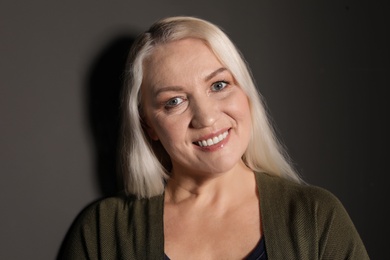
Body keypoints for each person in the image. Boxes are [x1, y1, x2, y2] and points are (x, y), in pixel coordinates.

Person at [58, 16, 369, 259]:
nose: (206, 117)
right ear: (149, 126)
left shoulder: (315, 217)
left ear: (245, 92)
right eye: (174, 101)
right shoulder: (101, 232)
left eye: (219, 85)